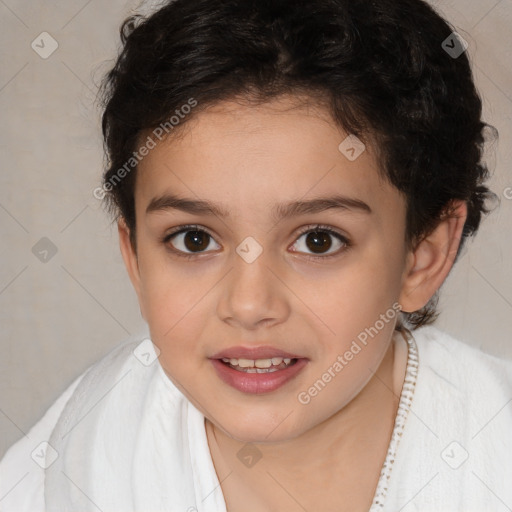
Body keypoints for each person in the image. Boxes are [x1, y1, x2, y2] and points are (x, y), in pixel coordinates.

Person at [1, 0, 511, 510]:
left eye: (318, 240)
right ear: (134, 256)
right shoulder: (77, 458)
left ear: (423, 255)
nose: (248, 305)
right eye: (194, 239)